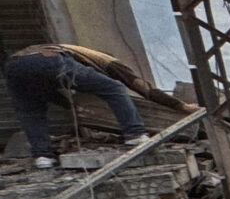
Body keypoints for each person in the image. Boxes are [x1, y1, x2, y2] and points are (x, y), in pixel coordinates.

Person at [5, 40, 174, 169]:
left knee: (32, 112)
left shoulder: (53, 49)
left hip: (14, 66)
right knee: (113, 87)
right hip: (49, 59)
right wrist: (181, 106)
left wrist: (72, 104)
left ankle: (43, 157)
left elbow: (49, 94)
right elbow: (139, 85)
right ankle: (135, 134)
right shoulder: (106, 60)